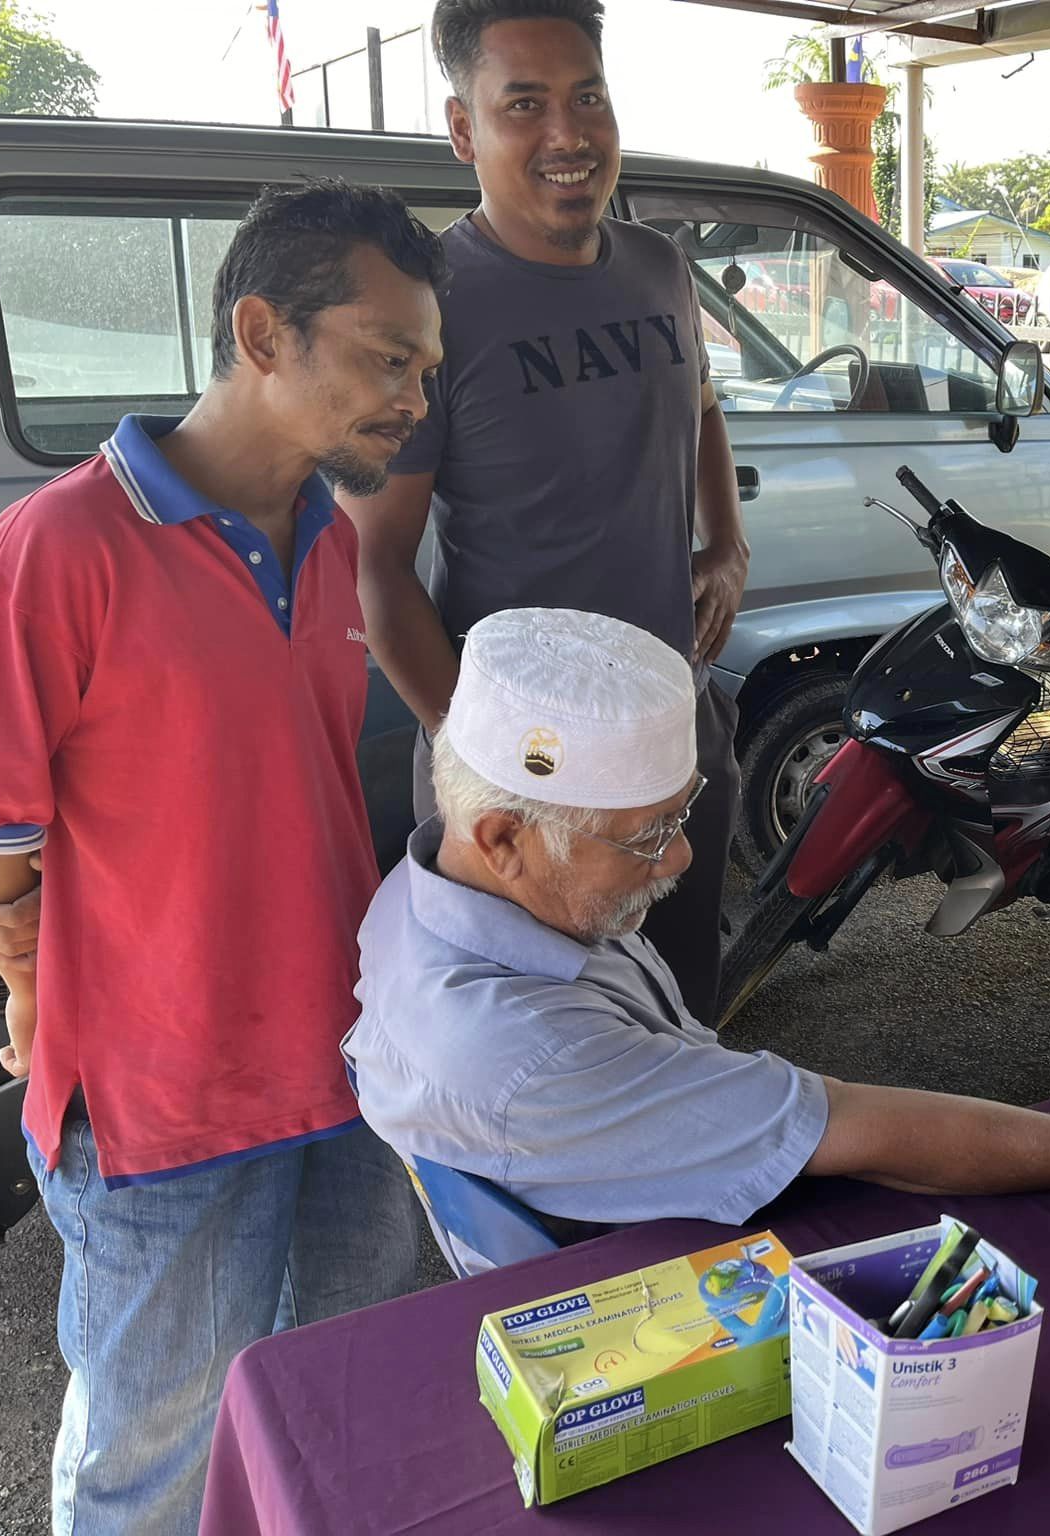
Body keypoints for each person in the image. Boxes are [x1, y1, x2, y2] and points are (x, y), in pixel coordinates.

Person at [0, 180, 445, 1532]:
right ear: (263, 334)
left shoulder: (327, 540)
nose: (415, 400)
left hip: (346, 1068)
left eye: (425, 368)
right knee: (152, 1462)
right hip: (161, 1108)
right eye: (389, 358)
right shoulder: (58, 550)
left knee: (324, 1419)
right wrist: (34, 988)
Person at [344, 607, 1050, 1261]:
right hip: (637, 1286)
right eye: (645, 837)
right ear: (504, 838)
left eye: (681, 816)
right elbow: (848, 1123)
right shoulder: (527, 1052)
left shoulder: (425, 890)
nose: (682, 861)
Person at [346, 0, 745, 1022]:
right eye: (523, 104)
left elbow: (701, 403)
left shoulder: (659, 266)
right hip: (523, 778)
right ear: (463, 128)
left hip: (674, 733)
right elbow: (376, 568)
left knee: (677, 1009)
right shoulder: (427, 307)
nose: (568, 135)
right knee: (531, 1052)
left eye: (588, 99)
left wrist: (726, 544)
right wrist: (488, 770)